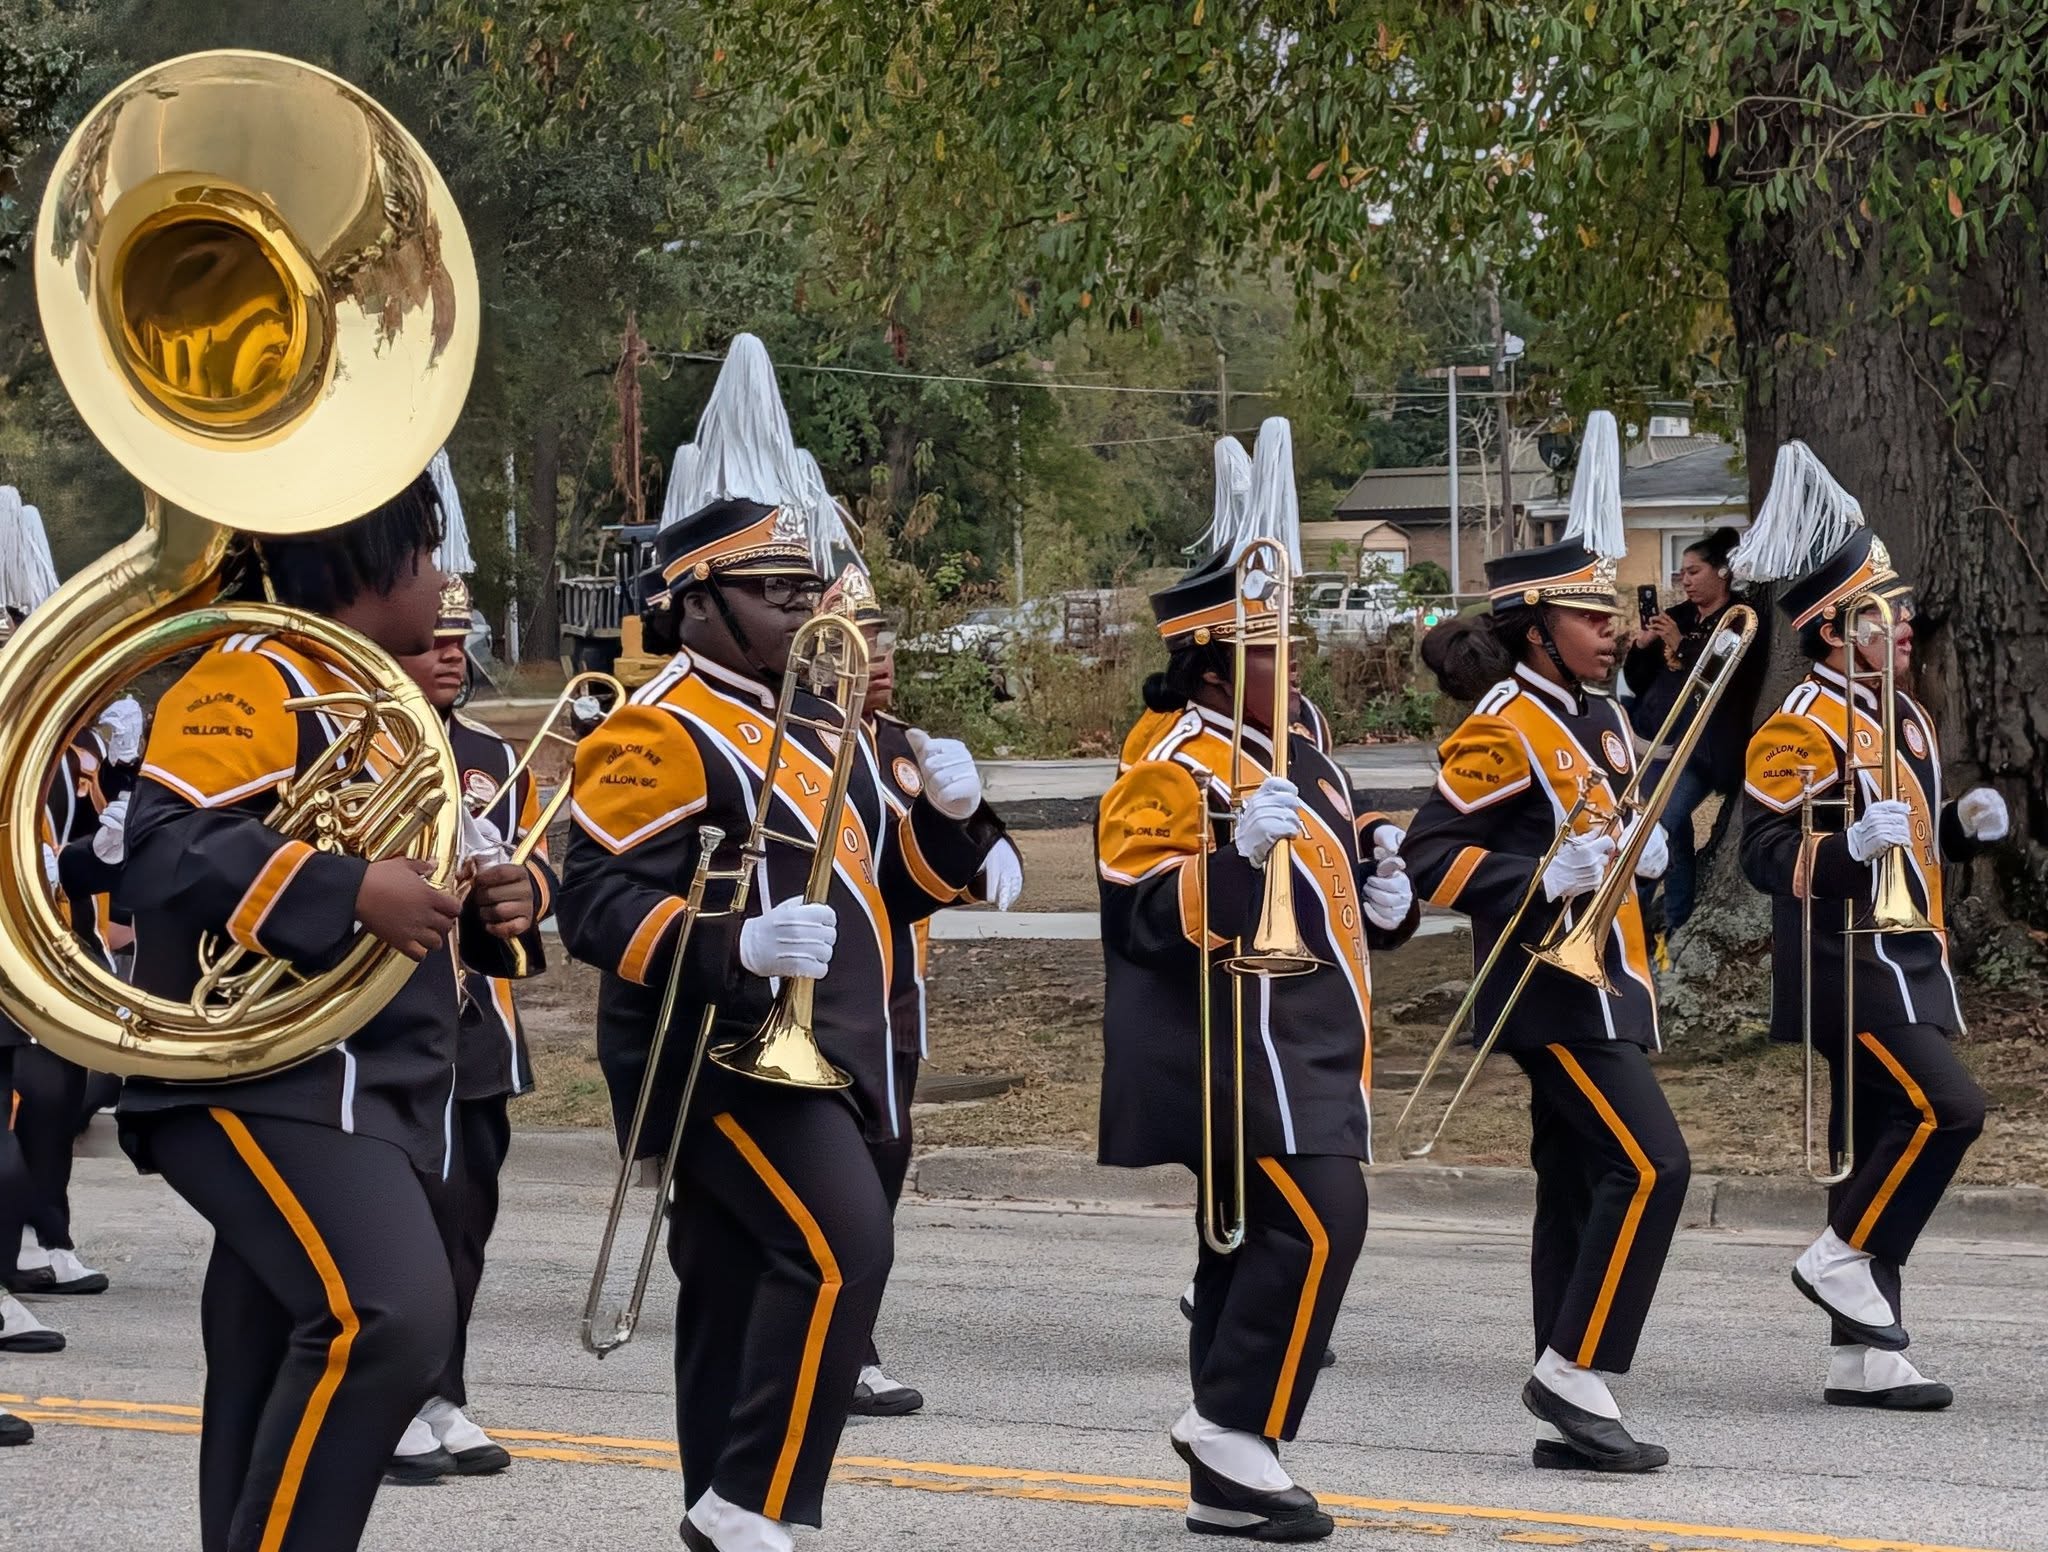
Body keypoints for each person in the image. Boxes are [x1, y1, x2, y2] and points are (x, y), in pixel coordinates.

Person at [559, 333, 1002, 1552]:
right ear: (695, 602)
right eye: (774, 590)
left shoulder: (820, 724)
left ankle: (718, 1509)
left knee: (735, 1287)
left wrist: (952, 824)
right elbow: (593, 901)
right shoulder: (656, 727)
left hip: (832, 1048)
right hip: (717, 1055)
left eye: (808, 586)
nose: (806, 607)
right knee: (842, 1252)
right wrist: (735, 943)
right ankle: (753, 1503)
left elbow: (890, 892)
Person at [114, 469, 540, 1552]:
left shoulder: (375, 703)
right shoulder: (252, 675)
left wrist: (488, 903)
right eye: (425, 555)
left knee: (264, 1355)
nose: (441, 580)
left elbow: (403, 887)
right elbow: (164, 845)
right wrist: (347, 889)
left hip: (366, 1083)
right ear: (361, 562)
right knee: (391, 1316)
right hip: (265, 1080)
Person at [1098, 418, 1419, 1542]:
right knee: (1322, 1221)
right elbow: (1136, 911)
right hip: (1233, 1043)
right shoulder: (1167, 761)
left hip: (1312, 1035)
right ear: (1209, 662)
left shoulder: (1300, 737)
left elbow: (1335, 842)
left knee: (1239, 1244)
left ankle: (1227, 1478)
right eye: (1270, 644)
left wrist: (1385, 883)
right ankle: (1230, 1426)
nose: (1294, 660)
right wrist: (1229, 862)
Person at [1401, 422, 1691, 1473]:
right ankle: (1574, 1367)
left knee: (1574, 1182)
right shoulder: (1502, 723)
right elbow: (1428, 857)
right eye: (1588, 615)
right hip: (1546, 989)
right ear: (1535, 631)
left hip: (1608, 983)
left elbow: (1603, 836)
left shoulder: (1600, 718)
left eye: (1610, 613)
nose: (1611, 628)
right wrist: (1536, 879)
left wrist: (1643, 855)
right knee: (1653, 1165)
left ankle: (1570, 1397)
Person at [1734, 444, 2001, 1411]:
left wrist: (1960, 832)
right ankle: (1840, 1257)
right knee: (1948, 1111)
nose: (1906, 621)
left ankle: (1863, 1356)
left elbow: (1909, 842)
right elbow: (1762, 854)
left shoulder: (1904, 716)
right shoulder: (1802, 722)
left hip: (1908, 956)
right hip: (1844, 962)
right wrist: (1846, 847)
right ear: (1836, 629)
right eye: (1885, 609)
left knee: (1880, 1137)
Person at [816, 557, 1024, 1418]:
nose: (880, 656)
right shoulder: (795, 742)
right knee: (833, 1192)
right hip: (813, 1000)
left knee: (882, 1175)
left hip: (896, 999)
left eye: (883, 636)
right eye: (857, 639)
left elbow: (955, 846)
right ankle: (833, 1350)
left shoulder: (904, 746)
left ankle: (850, 1344)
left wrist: (989, 839)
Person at [386, 575, 558, 1480]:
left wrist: (525, 888)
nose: (451, 655)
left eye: (461, 639)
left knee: (464, 1217)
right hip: (379, 1019)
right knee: (400, 1217)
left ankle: (441, 1391)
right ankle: (387, 1398)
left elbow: (542, 872)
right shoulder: (363, 741)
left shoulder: (493, 752)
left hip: (475, 1015)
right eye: (432, 640)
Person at [1621, 527, 1764, 936]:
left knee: (1662, 823)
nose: (1685, 580)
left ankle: (1656, 918)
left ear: (1722, 572)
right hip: (1659, 744)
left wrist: (1681, 644)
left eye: (1694, 571)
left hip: (1704, 749)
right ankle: (1669, 917)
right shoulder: (1679, 616)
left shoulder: (1740, 619)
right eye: (1681, 573)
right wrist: (1643, 646)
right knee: (1668, 831)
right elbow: (1639, 681)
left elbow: (1722, 677)